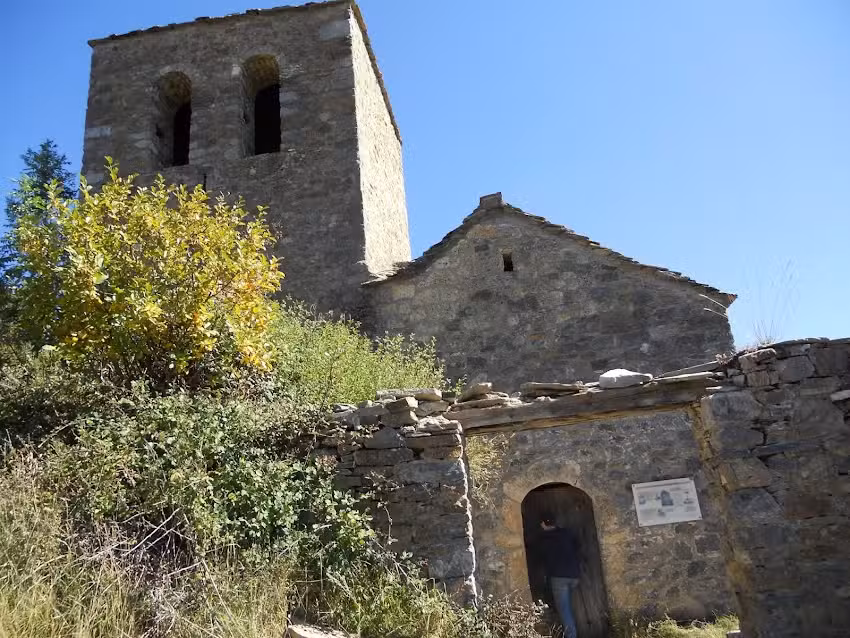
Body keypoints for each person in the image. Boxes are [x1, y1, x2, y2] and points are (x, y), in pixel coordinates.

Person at [532, 513, 581, 638]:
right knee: (571, 607)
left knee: (565, 611)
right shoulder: (566, 533)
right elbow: (577, 547)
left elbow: (538, 558)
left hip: (559, 578)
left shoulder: (544, 540)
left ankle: (571, 636)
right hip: (574, 575)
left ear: (543, 524)